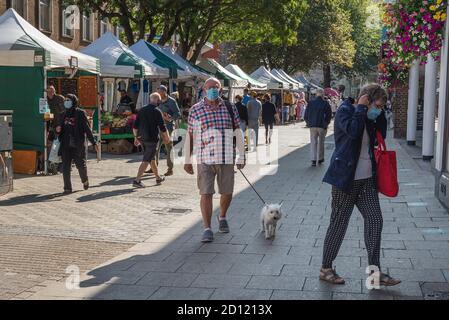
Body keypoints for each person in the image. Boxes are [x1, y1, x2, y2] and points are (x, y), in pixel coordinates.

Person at [320, 84, 401, 287]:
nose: (379, 110)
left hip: (366, 180)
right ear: (365, 98)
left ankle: (375, 272)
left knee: (375, 220)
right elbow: (353, 133)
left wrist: (376, 113)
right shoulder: (345, 111)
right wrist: (362, 109)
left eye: (382, 107)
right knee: (339, 224)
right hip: (345, 180)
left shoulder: (372, 117)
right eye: (378, 105)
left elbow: (382, 133)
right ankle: (326, 268)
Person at [184, 77, 245, 242]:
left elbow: (238, 131)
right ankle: (207, 228)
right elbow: (190, 135)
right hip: (205, 158)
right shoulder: (196, 110)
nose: (212, 90)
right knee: (206, 192)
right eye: (209, 87)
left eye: (215, 87)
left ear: (221, 90)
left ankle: (222, 216)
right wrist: (187, 159)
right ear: (204, 89)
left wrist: (242, 154)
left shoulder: (230, 107)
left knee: (227, 192)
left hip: (226, 157)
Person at [56, 94, 99, 194]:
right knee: (66, 167)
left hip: (77, 144)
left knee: (80, 165)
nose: (66, 101)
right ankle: (67, 187)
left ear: (74, 101)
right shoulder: (63, 114)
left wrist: (94, 142)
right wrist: (58, 130)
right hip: (65, 145)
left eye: (69, 100)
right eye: (65, 100)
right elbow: (58, 129)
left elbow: (87, 129)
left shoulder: (80, 113)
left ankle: (85, 180)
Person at [133, 92, 170, 187]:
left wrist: (136, 137)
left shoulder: (141, 110)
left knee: (151, 158)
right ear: (157, 100)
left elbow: (135, 127)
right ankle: (137, 180)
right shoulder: (157, 111)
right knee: (146, 159)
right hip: (152, 139)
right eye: (159, 100)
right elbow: (162, 127)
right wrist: (167, 138)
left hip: (142, 139)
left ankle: (158, 177)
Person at [155, 85, 181, 177]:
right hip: (157, 127)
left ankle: (170, 169)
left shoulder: (171, 101)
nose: (158, 93)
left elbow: (178, 114)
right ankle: (154, 167)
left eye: (159, 91)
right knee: (155, 148)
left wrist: (170, 119)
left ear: (164, 91)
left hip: (168, 128)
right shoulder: (157, 100)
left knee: (169, 148)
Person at [304, 88, 332, 166]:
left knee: (313, 142)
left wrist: (308, 123)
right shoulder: (325, 103)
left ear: (316, 94)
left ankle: (313, 159)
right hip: (322, 125)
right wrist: (326, 123)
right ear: (323, 94)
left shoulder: (311, 103)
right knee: (321, 142)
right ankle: (320, 158)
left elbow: (306, 115)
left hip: (312, 125)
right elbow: (329, 115)